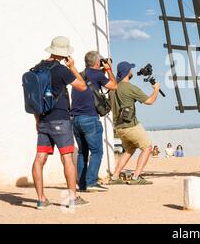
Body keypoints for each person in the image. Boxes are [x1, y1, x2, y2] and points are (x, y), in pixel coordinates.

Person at [32, 36, 89, 209]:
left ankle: (41, 199)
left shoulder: (35, 69)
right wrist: (72, 67)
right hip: (61, 120)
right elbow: (83, 87)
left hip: (42, 119)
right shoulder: (61, 70)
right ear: (64, 53)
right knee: (67, 158)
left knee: (39, 158)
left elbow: (33, 99)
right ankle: (72, 198)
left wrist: (37, 120)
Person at [71, 51, 117, 193]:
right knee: (97, 151)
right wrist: (108, 69)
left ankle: (83, 185)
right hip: (89, 118)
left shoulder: (79, 74)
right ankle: (91, 182)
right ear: (98, 62)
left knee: (82, 153)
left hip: (75, 119)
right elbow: (114, 85)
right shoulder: (98, 75)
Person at [108, 62, 160, 185]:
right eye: (131, 69)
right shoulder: (130, 88)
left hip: (119, 127)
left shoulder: (112, 88)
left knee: (129, 150)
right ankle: (136, 177)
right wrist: (156, 89)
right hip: (131, 125)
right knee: (147, 147)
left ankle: (115, 177)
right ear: (127, 72)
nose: (132, 72)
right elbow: (150, 101)